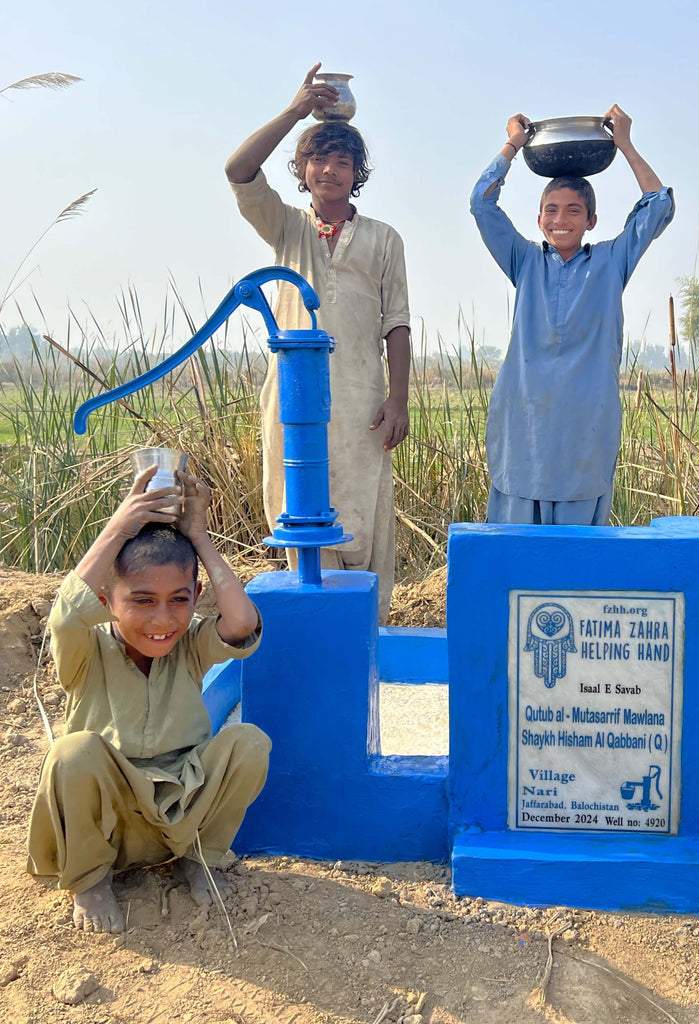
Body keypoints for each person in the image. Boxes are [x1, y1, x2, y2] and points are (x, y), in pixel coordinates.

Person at [27, 466, 271, 934]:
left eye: (178, 599)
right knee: (72, 752)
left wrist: (199, 538)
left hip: (180, 807)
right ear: (106, 599)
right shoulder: (86, 647)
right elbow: (66, 615)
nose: (163, 619)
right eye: (142, 600)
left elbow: (240, 623)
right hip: (109, 816)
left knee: (249, 742)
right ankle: (90, 879)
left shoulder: (192, 643)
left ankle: (199, 857)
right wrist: (120, 525)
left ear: (196, 596)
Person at [226, 63, 411, 621]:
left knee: (361, 513)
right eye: (318, 159)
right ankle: (307, 624)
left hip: (362, 400)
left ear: (358, 173)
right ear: (302, 169)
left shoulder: (382, 238)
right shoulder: (285, 226)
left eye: (342, 161)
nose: (329, 169)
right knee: (299, 508)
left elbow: (397, 323)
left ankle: (363, 634)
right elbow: (238, 169)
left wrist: (398, 398)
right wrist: (294, 111)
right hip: (293, 397)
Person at [470, 106, 674, 526]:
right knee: (517, 553)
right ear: (539, 219)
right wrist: (513, 144)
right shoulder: (524, 260)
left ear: (591, 220)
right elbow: (481, 203)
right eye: (552, 210)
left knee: (577, 558)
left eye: (573, 210)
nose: (561, 219)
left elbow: (657, 206)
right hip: (523, 423)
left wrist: (625, 144)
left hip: (586, 427)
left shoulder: (611, 261)